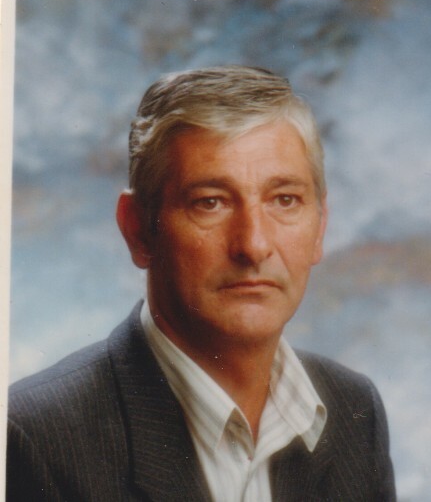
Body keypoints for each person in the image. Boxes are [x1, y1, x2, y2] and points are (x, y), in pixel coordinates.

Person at [7, 65, 396, 501]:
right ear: (137, 229)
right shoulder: (33, 437)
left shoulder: (353, 409)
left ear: (320, 228)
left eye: (285, 200)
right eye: (210, 202)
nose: (253, 245)